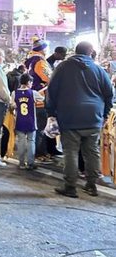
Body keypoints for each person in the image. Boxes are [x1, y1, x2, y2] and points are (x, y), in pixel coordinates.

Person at [47, 41, 113, 198]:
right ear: (90, 53)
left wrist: (51, 113)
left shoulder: (62, 67)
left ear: (75, 51)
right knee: (92, 152)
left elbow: (51, 91)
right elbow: (109, 94)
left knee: (70, 151)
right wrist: (104, 114)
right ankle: (91, 185)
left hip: (69, 116)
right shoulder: (98, 70)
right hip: (93, 117)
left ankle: (70, 187)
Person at [25, 38, 54, 163]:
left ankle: (40, 152)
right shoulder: (40, 62)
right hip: (40, 98)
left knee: (38, 128)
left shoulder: (31, 60)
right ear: (42, 49)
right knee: (40, 129)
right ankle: (38, 154)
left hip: (34, 97)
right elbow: (49, 78)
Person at [11, 73, 44, 170]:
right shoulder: (33, 93)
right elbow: (43, 99)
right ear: (29, 82)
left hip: (19, 121)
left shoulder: (14, 93)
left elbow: (12, 105)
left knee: (21, 142)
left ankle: (21, 163)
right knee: (31, 141)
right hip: (31, 121)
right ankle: (30, 163)